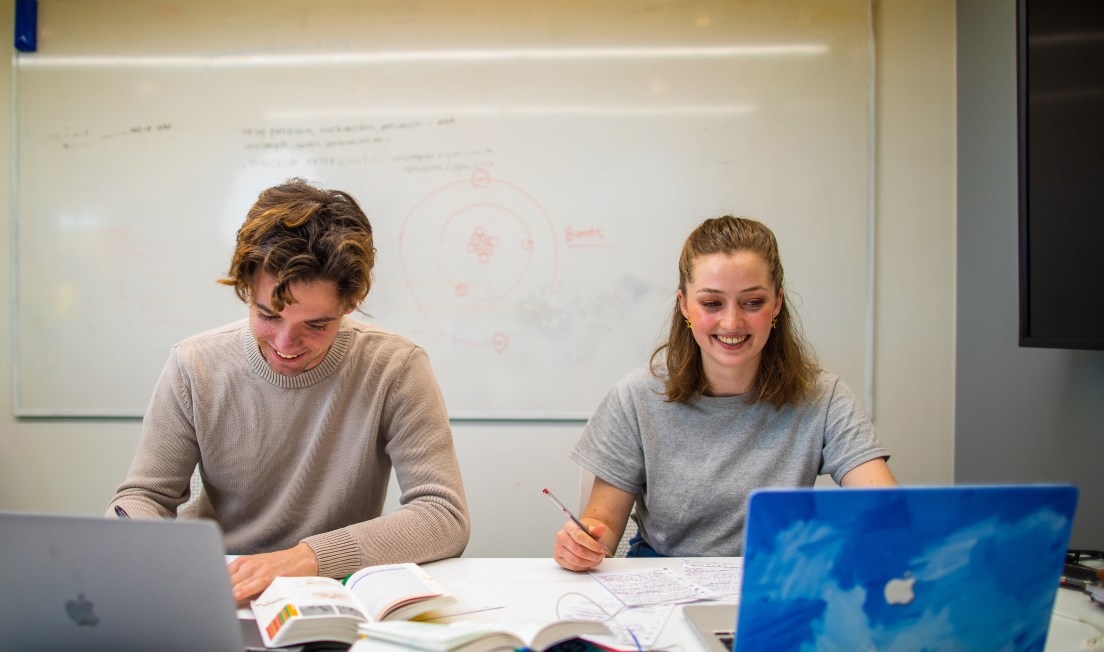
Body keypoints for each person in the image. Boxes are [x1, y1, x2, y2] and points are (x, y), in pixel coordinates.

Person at [108, 178, 470, 601]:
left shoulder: (396, 366)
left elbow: (443, 516)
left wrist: (302, 559)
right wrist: (143, 547)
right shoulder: (195, 364)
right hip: (216, 589)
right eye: (267, 316)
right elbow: (143, 496)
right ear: (246, 291)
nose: (285, 345)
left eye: (316, 325)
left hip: (330, 590)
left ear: (350, 303)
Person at [554, 216, 896, 571]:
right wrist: (583, 545)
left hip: (776, 582)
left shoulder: (823, 396)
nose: (732, 323)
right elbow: (603, 527)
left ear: (777, 304)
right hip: (662, 585)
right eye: (712, 303)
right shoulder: (635, 397)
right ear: (684, 305)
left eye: (752, 302)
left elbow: (886, 508)